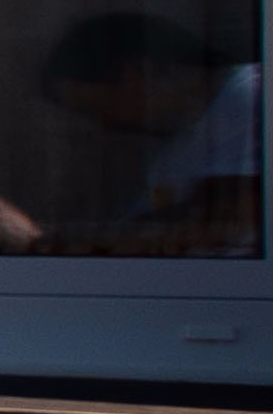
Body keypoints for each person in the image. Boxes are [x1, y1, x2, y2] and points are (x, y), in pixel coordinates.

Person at [35, 13, 265, 257]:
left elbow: (229, 218)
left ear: (143, 70)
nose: (107, 124)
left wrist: (41, 242)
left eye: (97, 107)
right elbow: (137, 232)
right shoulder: (179, 145)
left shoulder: (251, 96)